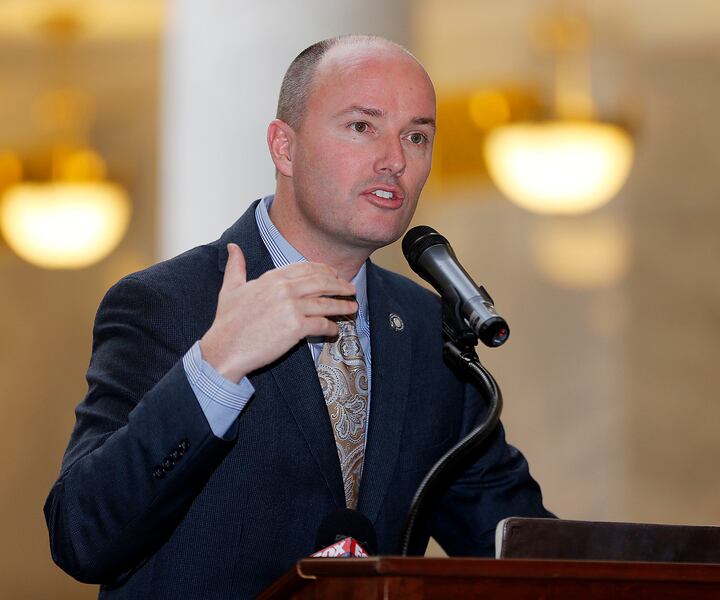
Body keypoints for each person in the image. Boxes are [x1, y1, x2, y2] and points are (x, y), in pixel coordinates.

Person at [45, 35, 552, 599]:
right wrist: (216, 367)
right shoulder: (168, 302)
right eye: (362, 126)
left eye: (417, 136)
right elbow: (82, 536)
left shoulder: (425, 329)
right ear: (284, 149)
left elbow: (519, 546)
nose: (395, 160)